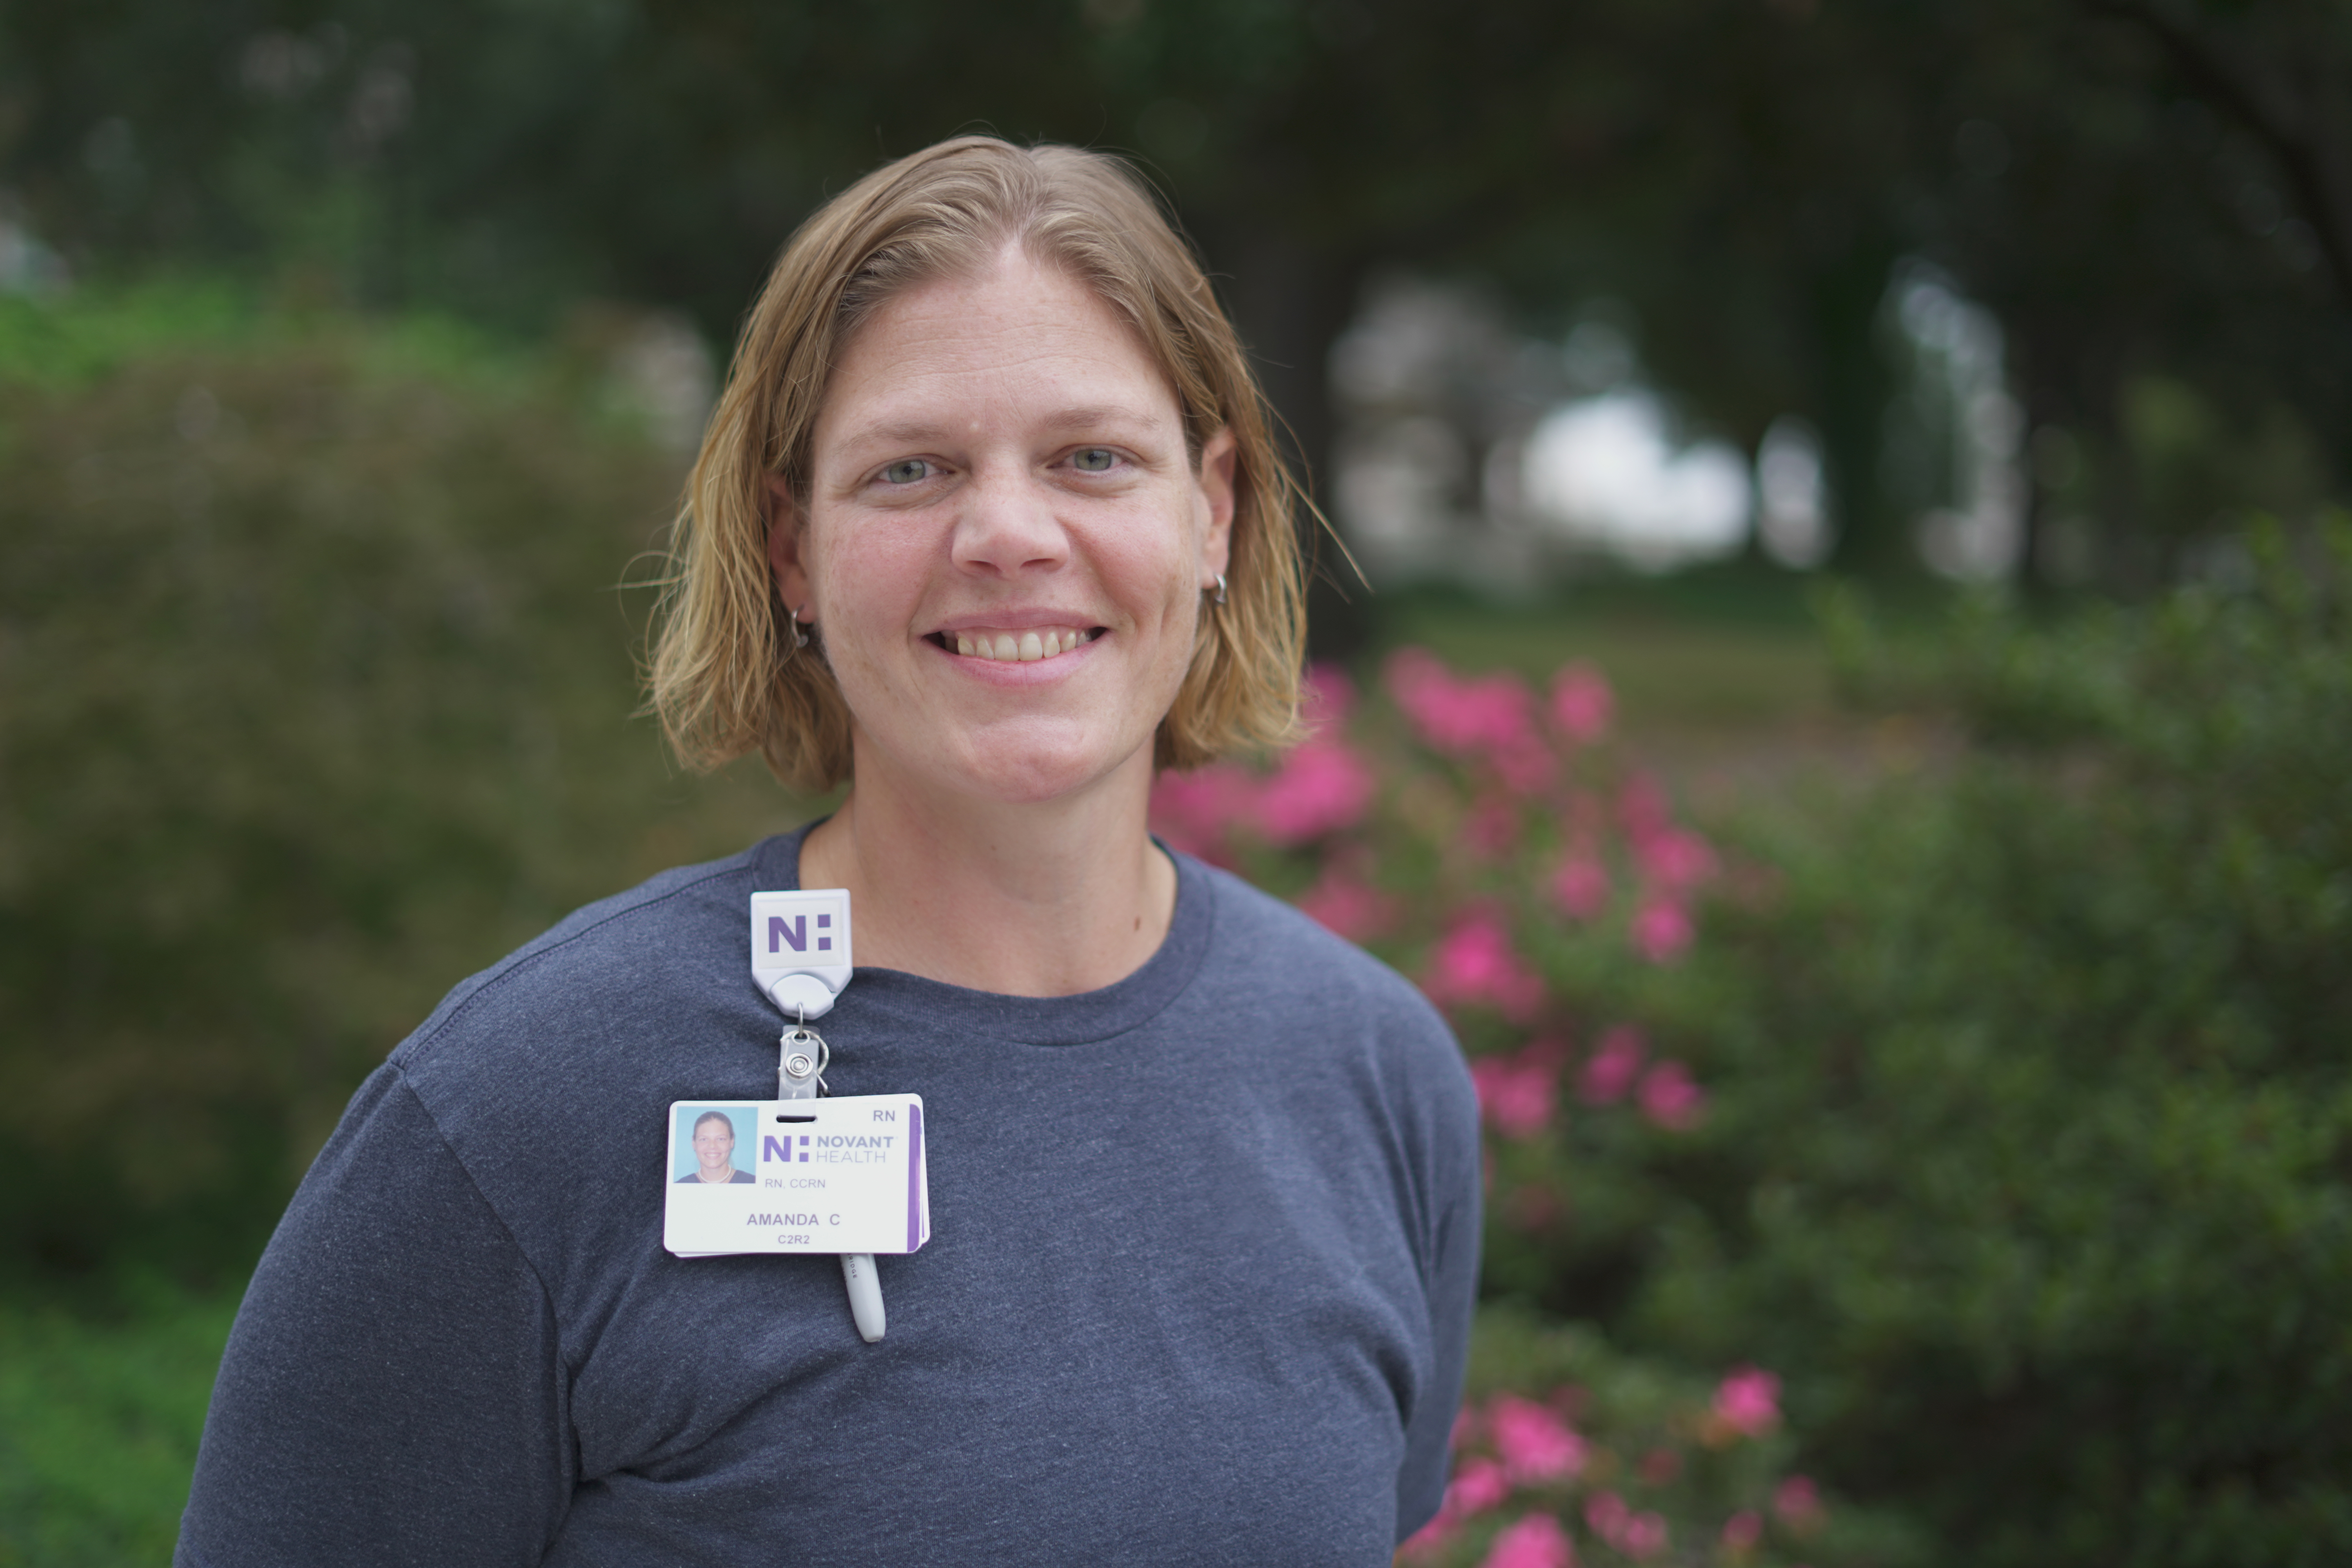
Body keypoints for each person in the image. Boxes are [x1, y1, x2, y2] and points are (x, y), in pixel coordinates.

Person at [178, 135, 1479, 1567]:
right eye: (912, 469)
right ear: (793, 550)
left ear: (1212, 511)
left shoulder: (1372, 1071)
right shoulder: (516, 1111)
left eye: (1091, 458)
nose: (1006, 532)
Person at [677, 1109, 754, 1184]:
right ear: (694, 1143)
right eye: (704, 1139)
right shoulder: (678, 1187)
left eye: (721, 1139)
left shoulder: (753, 1183)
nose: (712, 1146)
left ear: (732, 1142)